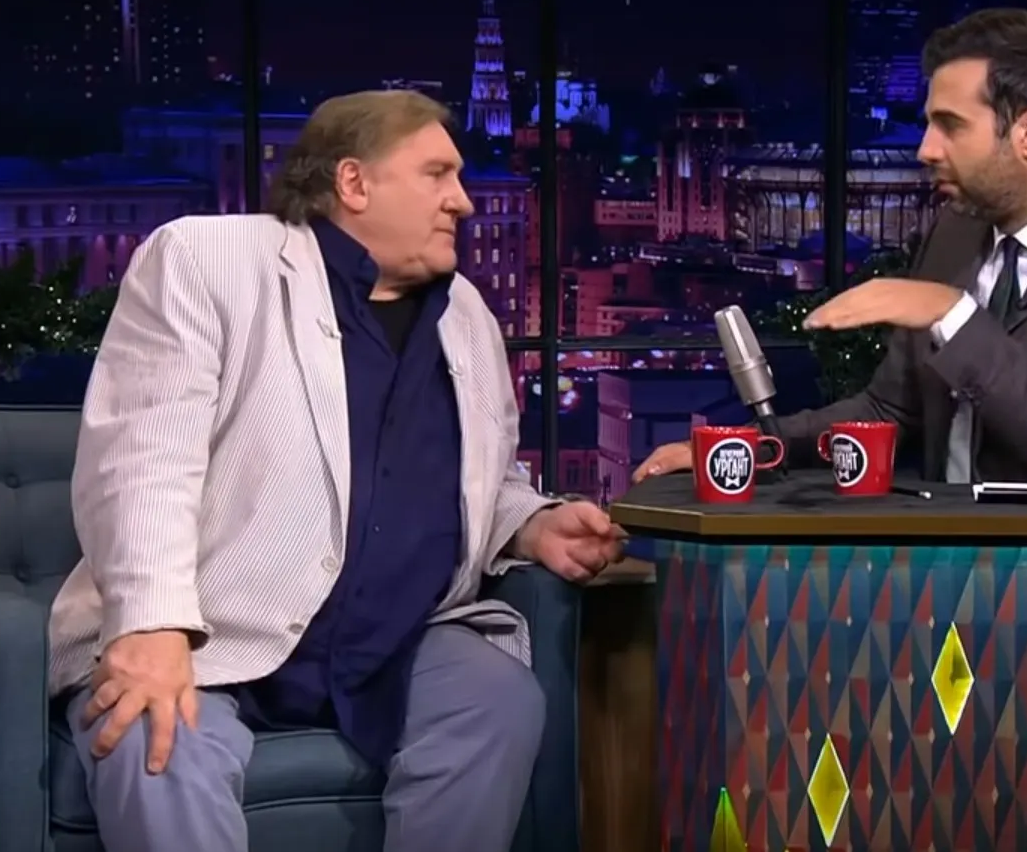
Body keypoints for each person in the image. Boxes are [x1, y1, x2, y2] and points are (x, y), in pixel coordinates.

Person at [46, 90, 626, 852]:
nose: (462, 201)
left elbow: (472, 479)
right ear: (353, 182)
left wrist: (530, 522)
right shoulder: (207, 261)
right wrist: (151, 624)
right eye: (437, 175)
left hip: (399, 636)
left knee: (498, 699)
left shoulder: (468, 314)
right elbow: (141, 460)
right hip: (212, 630)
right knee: (151, 741)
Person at [633, 9, 1027, 487]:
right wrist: (749, 448)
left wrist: (950, 311)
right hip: (940, 563)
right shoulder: (955, 231)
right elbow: (888, 410)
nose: (926, 149)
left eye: (950, 126)